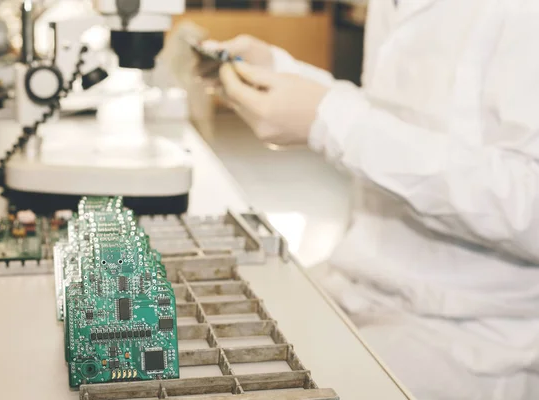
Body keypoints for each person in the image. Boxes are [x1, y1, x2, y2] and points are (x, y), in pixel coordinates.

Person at [204, 1, 539, 399]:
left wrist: (333, 122)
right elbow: (391, 116)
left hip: (469, 336)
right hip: (360, 283)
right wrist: (282, 70)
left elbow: (528, 201)